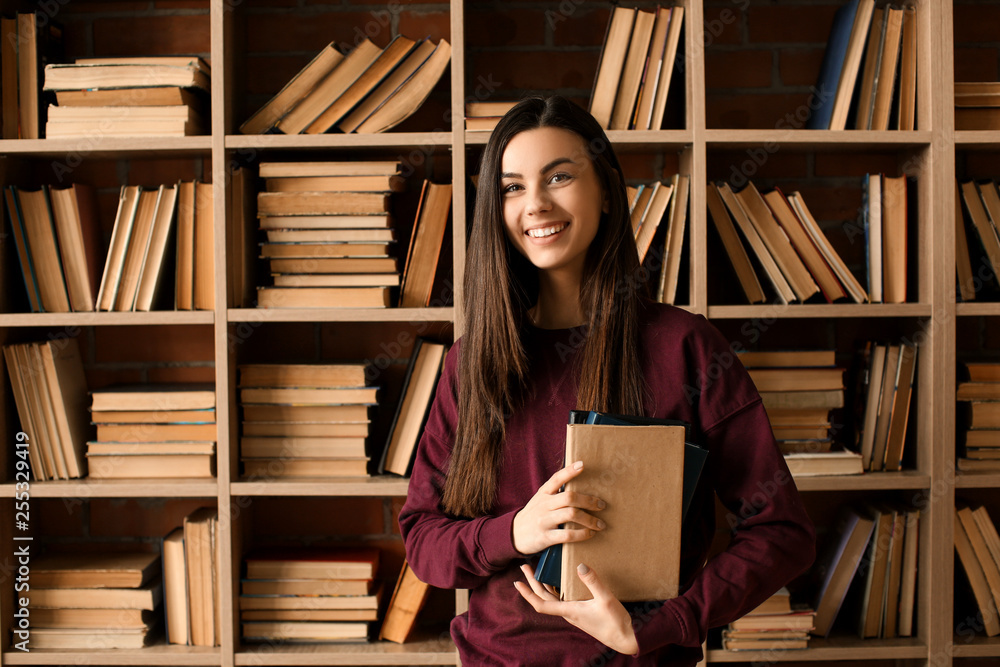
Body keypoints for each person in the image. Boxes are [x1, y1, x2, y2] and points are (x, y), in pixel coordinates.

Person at [398, 95, 815, 665]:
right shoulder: (471, 363)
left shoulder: (684, 348)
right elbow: (423, 541)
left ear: (607, 194)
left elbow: (782, 532)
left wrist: (666, 624)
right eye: (513, 187)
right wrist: (517, 532)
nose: (536, 204)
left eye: (560, 176)